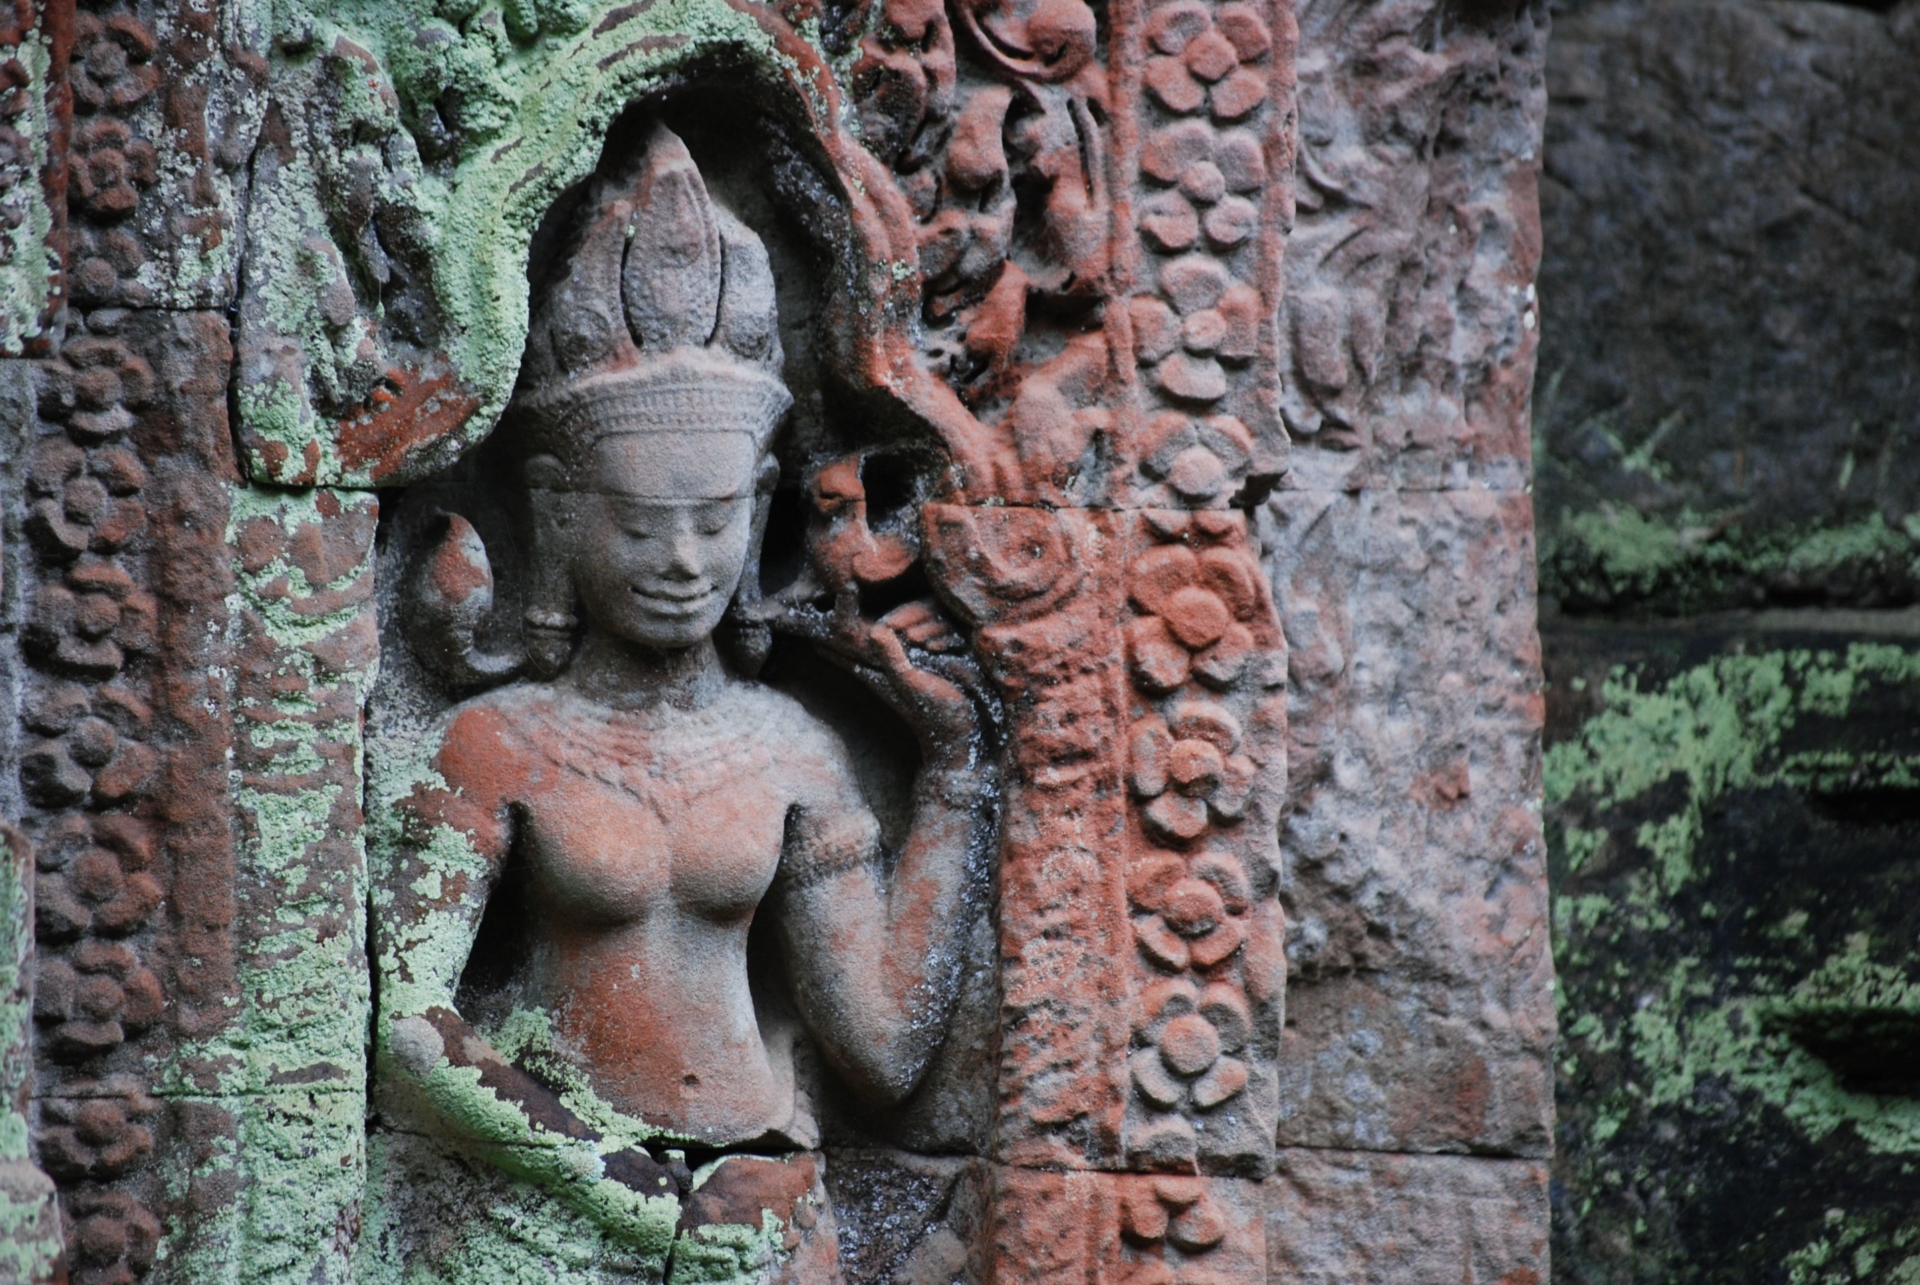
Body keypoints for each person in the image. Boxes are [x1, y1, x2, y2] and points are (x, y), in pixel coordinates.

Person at [369, 123, 984, 1284]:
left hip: (763, 1207)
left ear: (758, 509)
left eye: (715, 522)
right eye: (643, 524)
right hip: (555, 1209)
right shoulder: (499, 743)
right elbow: (410, 1026)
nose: (685, 560)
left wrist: (953, 776)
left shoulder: (789, 750)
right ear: (556, 512)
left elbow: (884, 1046)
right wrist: (631, 1195)